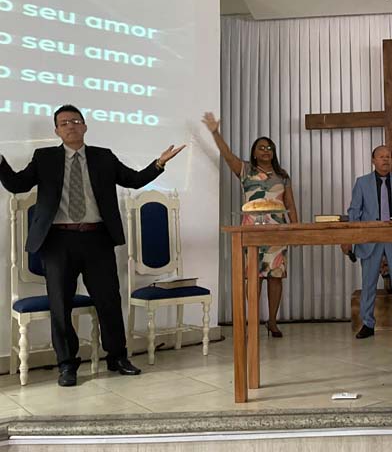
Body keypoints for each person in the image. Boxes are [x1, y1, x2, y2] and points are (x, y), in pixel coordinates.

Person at [0, 104, 184, 386]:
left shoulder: (103, 157)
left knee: (109, 300)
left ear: (85, 126)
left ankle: (117, 357)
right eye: (64, 123)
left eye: (75, 121)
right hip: (57, 241)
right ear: (57, 131)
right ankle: (66, 364)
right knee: (60, 304)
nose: (70, 126)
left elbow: (134, 180)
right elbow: (17, 185)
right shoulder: (44, 157)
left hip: (97, 238)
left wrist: (159, 163)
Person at [202, 112, 297, 338]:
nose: (266, 151)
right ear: (254, 152)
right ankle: (252, 320)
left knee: (275, 276)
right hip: (252, 231)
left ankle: (272, 321)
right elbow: (227, 155)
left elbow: (290, 204)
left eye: (269, 148)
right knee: (253, 276)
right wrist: (215, 133)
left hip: (277, 231)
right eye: (261, 147)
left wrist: (295, 229)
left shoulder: (282, 175)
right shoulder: (245, 170)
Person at [341, 145, 392, 339]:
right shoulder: (362, 183)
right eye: (381, 156)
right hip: (370, 240)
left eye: (388, 156)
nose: (385, 159)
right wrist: (349, 238)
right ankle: (367, 324)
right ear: (373, 160)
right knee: (368, 284)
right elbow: (354, 211)